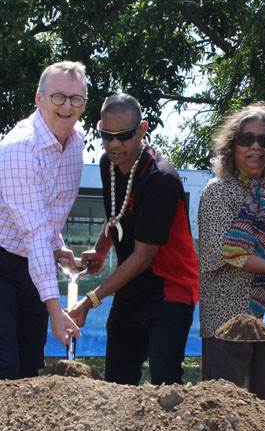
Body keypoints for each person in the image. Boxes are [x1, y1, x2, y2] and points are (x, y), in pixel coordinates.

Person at [0, 61, 85, 380]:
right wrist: (56, 313)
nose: (66, 106)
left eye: (75, 99)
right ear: (39, 99)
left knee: (31, 367)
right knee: (4, 366)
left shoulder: (76, 145)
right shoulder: (20, 148)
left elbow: (47, 213)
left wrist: (58, 246)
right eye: (58, 96)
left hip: (30, 260)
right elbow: (33, 230)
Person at [67, 93, 198, 385]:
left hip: (170, 288)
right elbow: (117, 214)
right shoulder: (108, 164)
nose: (114, 144)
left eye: (124, 136)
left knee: (165, 381)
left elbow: (142, 257)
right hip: (132, 286)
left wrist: (90, 300)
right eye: (106, 135)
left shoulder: (160, 179)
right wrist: (100, 250)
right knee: (117, 379)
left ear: (142, 129)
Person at [197, 103, 265, 406]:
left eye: (264, 140)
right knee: (221, 407)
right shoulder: (218, 192)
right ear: (232, 146)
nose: (256, 146)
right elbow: (227, 253)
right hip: (227, 319)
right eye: (247, 139)